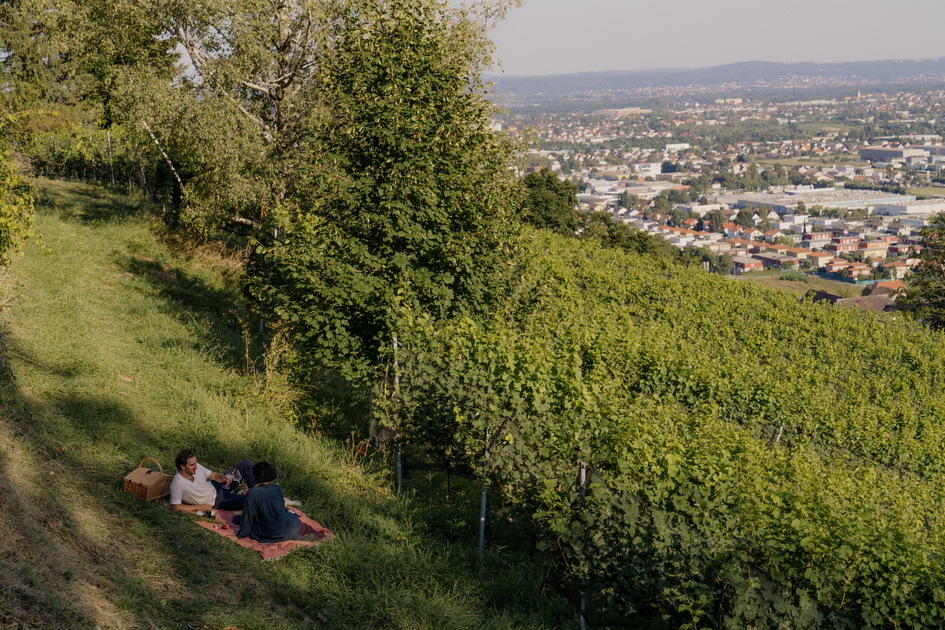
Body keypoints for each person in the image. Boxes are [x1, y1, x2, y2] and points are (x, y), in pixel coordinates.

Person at [237, 461, 306, 543]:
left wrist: (241, 534)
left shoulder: (253, 493)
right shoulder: (278, 488)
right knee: (289, 515)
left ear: (255, 476)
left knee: (252, 525)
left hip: (272, 532)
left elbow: (248, 517)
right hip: (291, 529)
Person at [169, 449, 256, 513]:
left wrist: (222, 477)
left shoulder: (196, 467)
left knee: (246, 465)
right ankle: (259, 496)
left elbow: (213, 475)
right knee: (252, 500)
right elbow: (176, 506)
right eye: (192, 465)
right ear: (182, 466)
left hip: (217, 485)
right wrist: (199, 507)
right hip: (218, 500)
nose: (196, 466)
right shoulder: (177, 483)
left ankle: (259, 490)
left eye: (195, 463)